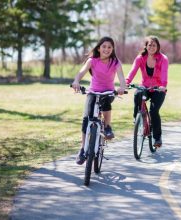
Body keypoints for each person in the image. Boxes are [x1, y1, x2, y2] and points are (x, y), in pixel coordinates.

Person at [71, 36, 126, 165]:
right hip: (93, 92)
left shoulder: (115, 62)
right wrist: (76, 81)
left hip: (108, 92)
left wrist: (122, 87)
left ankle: (107, 127)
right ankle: (83, 150)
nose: (106, 49)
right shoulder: (92, 60)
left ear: (112, 49)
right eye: (104, 47)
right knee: (87, 118)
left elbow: (122, 78)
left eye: (109, 47)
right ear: (99, 48)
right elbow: (81, 72)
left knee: (106, 102)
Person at [126, 36, 168, 148]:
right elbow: (133, 71)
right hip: (145, 86)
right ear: (146, 46)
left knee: (154, 111)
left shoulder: (163, 59)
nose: (152, 47)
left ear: (158, 47)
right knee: (137, 94)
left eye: (154, 45)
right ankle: (137, 118)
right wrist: (127, 82)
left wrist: (163, 86)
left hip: (158, 88)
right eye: (150, 45)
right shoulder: (140, 58)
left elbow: (164, 74)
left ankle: (157, 138)